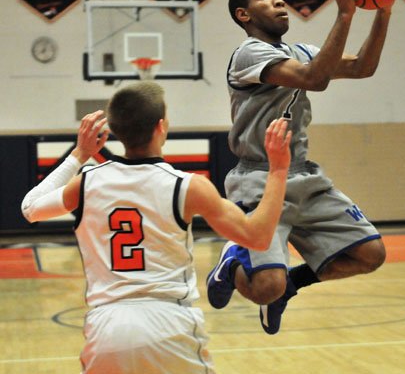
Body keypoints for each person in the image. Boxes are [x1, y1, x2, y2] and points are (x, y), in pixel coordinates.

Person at [21, 81, 291, 374]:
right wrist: (277, 170)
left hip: (106, 328)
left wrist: (79, 154)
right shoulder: (187, 186)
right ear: (161, 126)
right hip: (168, 322)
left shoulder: (86, 182)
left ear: (116, 131)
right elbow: (259, 237)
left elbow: (30, 208)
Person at [206, 0, 405, 335]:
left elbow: (363, 66)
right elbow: (314, 79)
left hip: (301, 174)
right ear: (244, 14)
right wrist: (345, 14)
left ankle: (292, 286)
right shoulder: (248, 53)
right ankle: (233, 263)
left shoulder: (301, 49)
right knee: (266, 287)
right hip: (259, 179)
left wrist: (384, 9)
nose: (280, 1)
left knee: (370, 254)